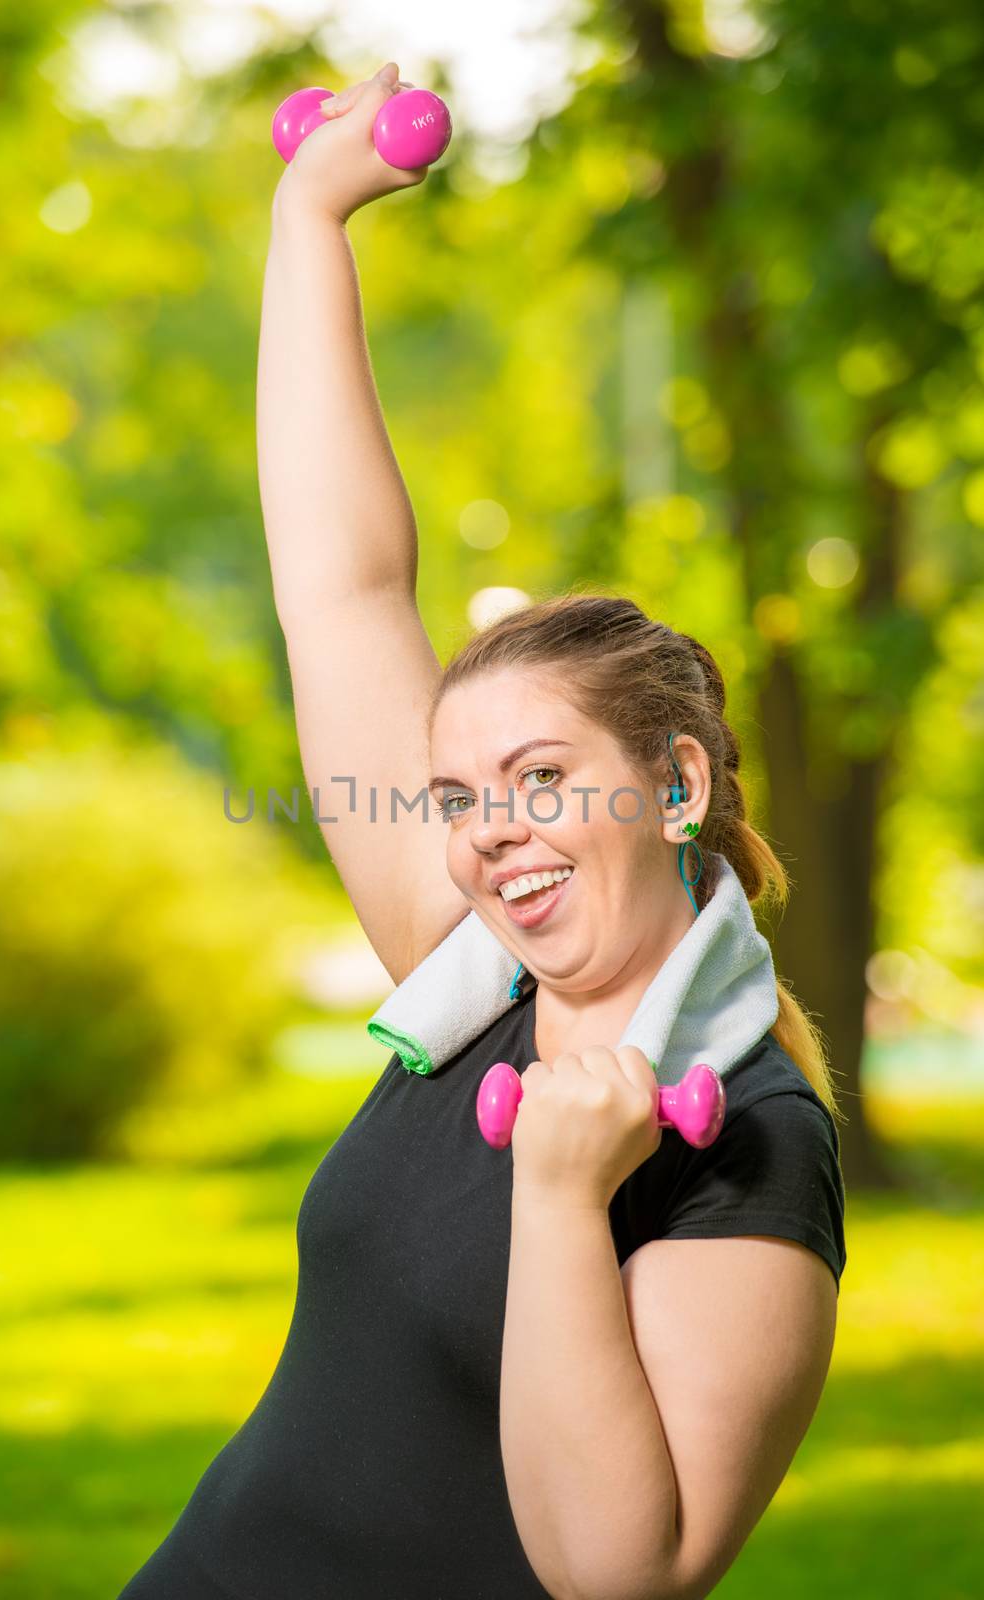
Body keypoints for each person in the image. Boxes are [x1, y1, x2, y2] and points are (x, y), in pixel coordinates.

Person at [115, 62, 846, 1600]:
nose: (490, 836)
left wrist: (568, 1195)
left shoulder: (753, 1148)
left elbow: (618, 1576)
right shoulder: (470, 993)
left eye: (538, 779)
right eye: (457, 798)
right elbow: (340, 585)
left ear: (677, 787)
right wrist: (311, 219)